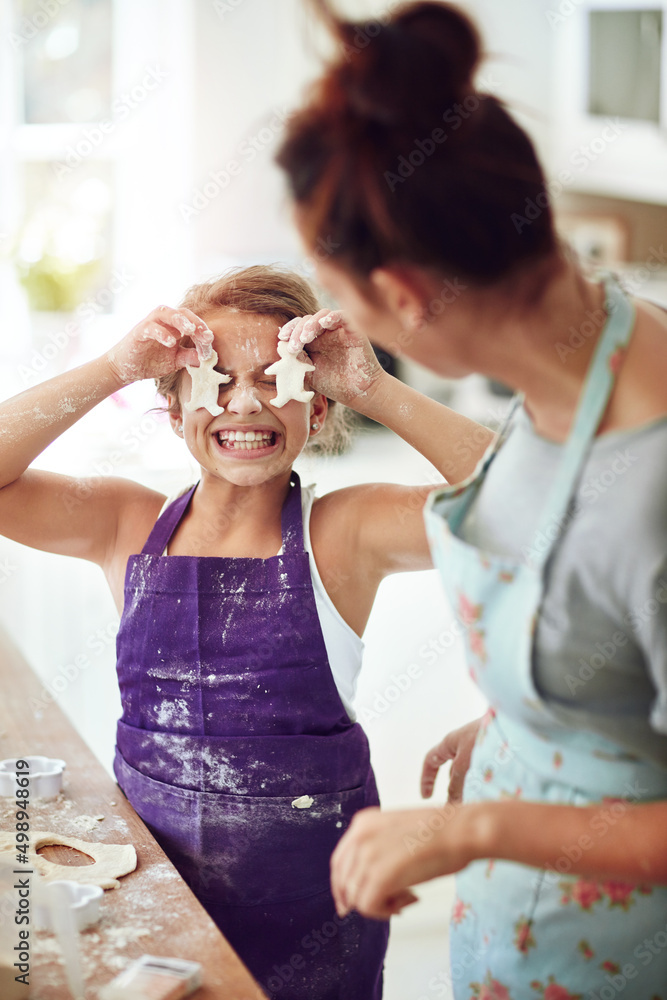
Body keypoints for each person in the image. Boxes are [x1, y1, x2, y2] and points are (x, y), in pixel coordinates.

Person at [275, 2, 667, 996]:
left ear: (403, 295)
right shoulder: (594, 337)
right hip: (512, 929)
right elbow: (544, 499)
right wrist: (534, 733)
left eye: (342, 289)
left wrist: (477, 823)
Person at [0, 264, 493, 999]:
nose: (244, 402)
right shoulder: (124, 525)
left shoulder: (346, 533)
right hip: (159, 900)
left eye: (274, 378)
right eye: (214, 379)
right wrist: (114, 369)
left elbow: (529, 496)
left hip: (312, 917)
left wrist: (374, 388)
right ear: (172, 410)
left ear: (316, 411)